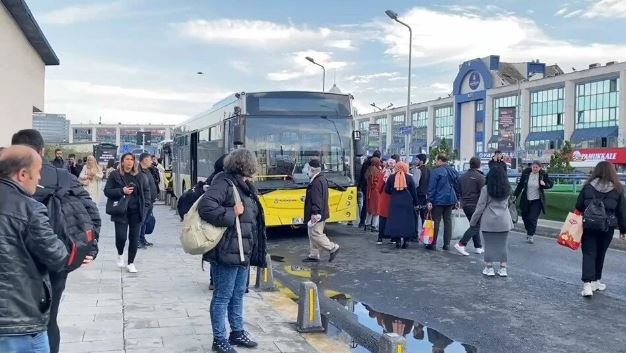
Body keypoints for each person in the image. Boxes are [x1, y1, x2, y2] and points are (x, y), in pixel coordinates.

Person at [12, 129, 101, 353]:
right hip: (56, 258)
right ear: (42, 151)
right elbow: (91, 215)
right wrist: (89, 249)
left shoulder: (6, 177)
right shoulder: (63, 176)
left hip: (13, 260)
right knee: (49, 320)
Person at [0, 145, 69, 353]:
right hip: (18, 321)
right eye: (37, 173)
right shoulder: (29, 208)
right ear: (22, 174)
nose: (39, 179)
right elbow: (57, 257)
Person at [197, 149, 267, 353]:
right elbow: (206, 208)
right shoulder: (224, 182)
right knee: (222, 296)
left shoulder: (244, 184)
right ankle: (219, 339)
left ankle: (236, 332)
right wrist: (230, 212)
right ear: (247, 164)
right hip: (227, 250)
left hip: (242, 250)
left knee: (237, 294)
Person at [575, 161, 626, 297]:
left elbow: (579, 205)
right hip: (607, 227)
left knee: (589, 253)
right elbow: (621, 211)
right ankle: (596, 281)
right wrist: (623, 230)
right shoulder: (618, 188)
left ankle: (587, 285)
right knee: (601, 253)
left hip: (589, 225)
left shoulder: (587, 186)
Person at [104, 153, 151, 273]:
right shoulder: (115, 175)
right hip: (120, 211)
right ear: (122, 161)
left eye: (131, 159)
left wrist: (145, 209)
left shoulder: (140, 176)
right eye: (127, 159)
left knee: (134, 238)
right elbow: (107, 191)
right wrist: (121, 191)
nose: (129, 162)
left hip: (136, 212)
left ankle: (131, 263)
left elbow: (146, 193)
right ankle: (120, 253)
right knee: (121, 237)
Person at [470, 166, 514, 277]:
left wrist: (473, 221)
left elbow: (480, 207)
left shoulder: (486, 189)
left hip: (489, 221)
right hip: (504, 220)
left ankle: (489, 268)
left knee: (489, 245)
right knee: (503, 245)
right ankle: (503, 269)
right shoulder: (508, 188)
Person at [302, 159, 340, 262]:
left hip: (317, 213)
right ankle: (314, 254)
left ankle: (332, 248)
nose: (306, 171)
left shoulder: (316, 182)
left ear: (312, 169)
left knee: (316, 234)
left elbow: (317, 199)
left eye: (308, 169)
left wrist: (315, 212)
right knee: (312, 233)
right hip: (320, 212)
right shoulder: (321, 179)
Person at [513, 160, 553, 244]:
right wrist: (515, 195)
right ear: (531, 167)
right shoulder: (526, 174)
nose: (535, 169)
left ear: (540, 168)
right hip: (526, 199)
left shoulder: (543, 175)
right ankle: (529, 230)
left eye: (536, 167)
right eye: (533, 167)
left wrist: (544, 184)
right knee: (525, 216)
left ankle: (531, 235)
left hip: (537, 200)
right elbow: (520, 185)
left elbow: (550, 184)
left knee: (532, 218)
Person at [426, 154, 460, 251]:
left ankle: (433, 243)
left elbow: (432, 187)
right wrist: (457, 199)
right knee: (448, 221)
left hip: (438, 199)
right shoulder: (453, 171)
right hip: (450, 200)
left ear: (440, 160)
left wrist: (429, 200)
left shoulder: (436, 172)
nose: (436, 162)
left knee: (436, 221)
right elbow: (457, 186)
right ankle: (447, 244)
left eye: (436, 160)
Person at [454, 157, 485, 256]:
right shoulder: (481, 177)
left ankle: (478, 246)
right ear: (479, 165)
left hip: (465, 205)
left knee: (474, 224)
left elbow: (458, 190)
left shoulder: (462, 177)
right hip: (475, 205)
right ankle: (461, 244)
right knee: (475, 226)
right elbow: (483, 193)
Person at [384, 162, 418, 249]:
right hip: (407, 202)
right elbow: (414, 192)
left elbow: (386, 190)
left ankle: (397, 241)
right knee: (406, 222)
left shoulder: (392, 177)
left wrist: (394, 193)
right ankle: (406, 241)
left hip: (395, 202)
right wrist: (416, 203)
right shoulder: (409, 177)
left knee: (396, 222)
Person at [138, 153, 158, 248]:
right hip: (142, 202)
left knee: (145, 221)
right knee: (139, 222)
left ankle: (142, 239)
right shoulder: (138, 171)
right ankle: (137, 241)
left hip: (150, 201)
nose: (152, 161)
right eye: (150, 160)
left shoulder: (148, 170)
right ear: (145, 160)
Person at [358, 150, 381, 228]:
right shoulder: (376, 169)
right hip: (374, 191)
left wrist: (359, 186)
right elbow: (376, 182)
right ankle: (373, 225)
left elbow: (361, 175)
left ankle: (363, 222)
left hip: (366, 188)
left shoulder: (367, 165)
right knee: (375, 207)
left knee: (367, 205)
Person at [376, 159, 395, 244]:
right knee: (392, 218)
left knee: (383, 218)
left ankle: (380, 237)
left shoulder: (383, 173)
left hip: (384, 197)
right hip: (393, 197)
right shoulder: (396, 174)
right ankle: (392, 237)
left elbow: (379, 187)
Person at [365, 157, 383, 232]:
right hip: (376, 192)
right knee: (376, 209)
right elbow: (377, 183)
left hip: (369, 192)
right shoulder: (377, 171)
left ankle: (367, 224)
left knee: (370, 209)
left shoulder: (369, 170)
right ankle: (374, 226)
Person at [414, 154, 430, 228]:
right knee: (425, 216)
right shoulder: (429, 170)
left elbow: (415, 183)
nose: (415, 161)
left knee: (415, 215)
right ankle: (425, 236)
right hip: (426, 195)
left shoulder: (418, 170)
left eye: (417, 159)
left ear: (421, 161)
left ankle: (415, 236)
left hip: (418, 195)